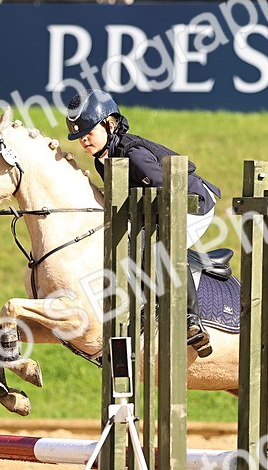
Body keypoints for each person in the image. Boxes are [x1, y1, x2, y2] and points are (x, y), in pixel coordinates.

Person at [65, 89, 221, 358]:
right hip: (159, 209)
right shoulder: (103, 160)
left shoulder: (133, 155)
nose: (84, 139)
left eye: (89, 131)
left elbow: (171, 193)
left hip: (193, 203)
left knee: (162, 247)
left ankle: (191, 321)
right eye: (79, 135)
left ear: (108, 123)